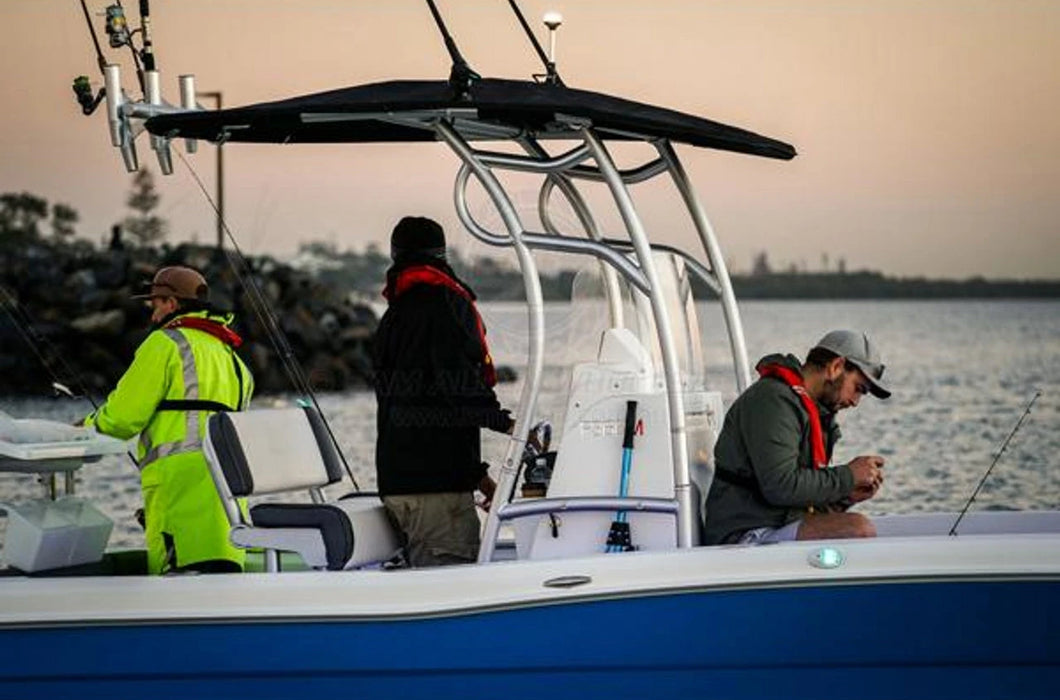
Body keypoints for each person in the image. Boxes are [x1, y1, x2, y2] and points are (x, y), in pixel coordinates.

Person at [84, 266, 253, 574]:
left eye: (156, 305)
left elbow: (122, 419)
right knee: (222, 578)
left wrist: (82, 430)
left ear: (172, 304)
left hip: (179, 490)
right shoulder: (231, 356)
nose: (152, 315)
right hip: (228, 490)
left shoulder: (164, 344)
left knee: (175, 579)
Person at [373, 216, 513, 567]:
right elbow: (459, 385)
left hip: (399, 483)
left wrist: (478, 477)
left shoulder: (394, 318)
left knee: (421, 585)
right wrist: (507, 424)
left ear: (395, 256)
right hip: (435, 490)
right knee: (451, 584)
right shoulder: (446, 306)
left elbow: (421, 405)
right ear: (442, 255)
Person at [703, 329, 890, 545]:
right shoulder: (773, 401)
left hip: (775, 523)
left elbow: (797, 499)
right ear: (836, 367)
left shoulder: (813, 411)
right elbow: (780, 486)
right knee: (859, 530)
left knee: (856, 527)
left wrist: (845, 497)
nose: (856, 401)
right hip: (743, 534)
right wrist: (848, 477)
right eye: (858, 389)